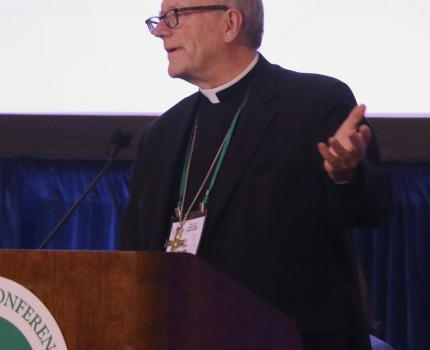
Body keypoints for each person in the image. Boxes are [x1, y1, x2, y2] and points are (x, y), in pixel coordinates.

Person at [119, 0, 391, 349]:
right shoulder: (162, 134)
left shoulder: (315, 102)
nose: (160, 31)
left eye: (175, 16)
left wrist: (345, 176)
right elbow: (134, 256)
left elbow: (377, 209)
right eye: (159, 19)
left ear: (230, 23)